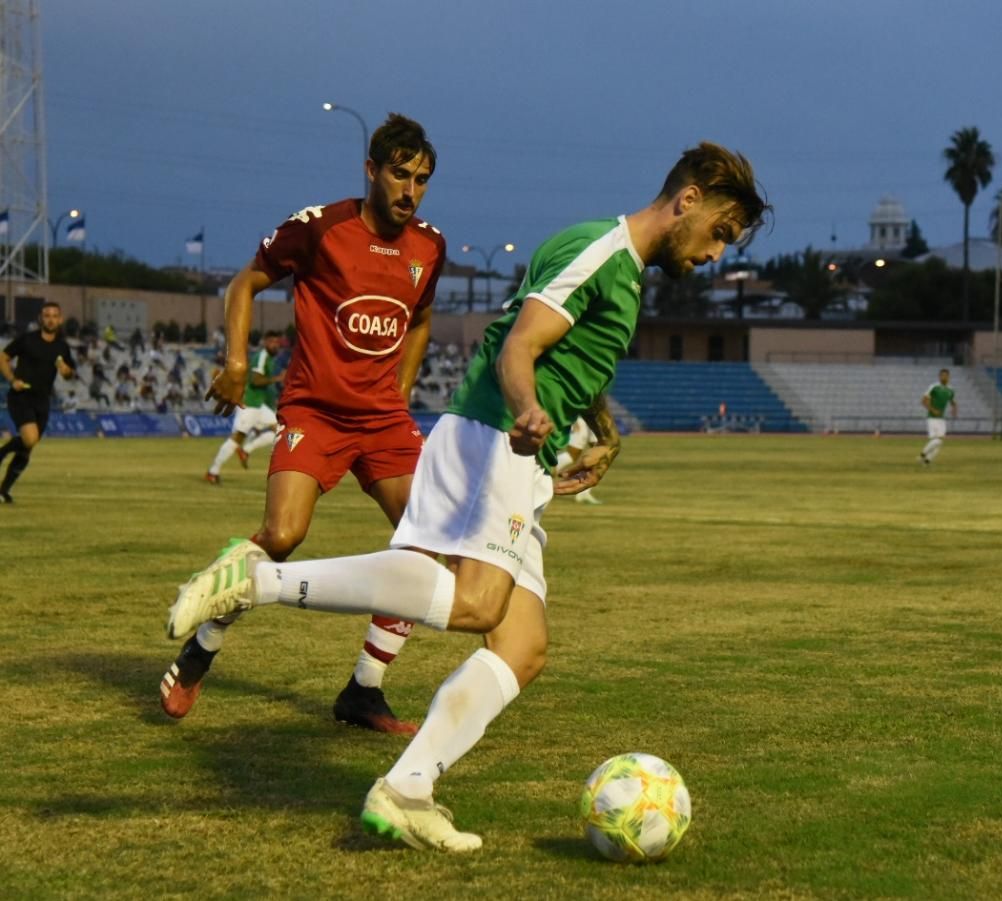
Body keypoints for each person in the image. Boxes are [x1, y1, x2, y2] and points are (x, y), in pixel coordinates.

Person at [166, 141, 769, 851]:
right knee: (478, 602)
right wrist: (527, 411)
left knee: (522, 643)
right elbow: (520, 345)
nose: (717, 253)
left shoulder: (621, 270)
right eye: (721, 233)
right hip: (497, 434)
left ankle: (406, 789)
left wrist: (602, 433)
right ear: (688, 199)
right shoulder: (601, 252)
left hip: (517, 446)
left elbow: (571, 357)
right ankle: (256, 579)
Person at [159, 113, 446, 735]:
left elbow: (420, 317)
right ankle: (202, 646)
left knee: (428, 546)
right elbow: (246, 282)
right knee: (283, 535)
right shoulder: (320, 229)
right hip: (314, 411)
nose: (410, 190)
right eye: (400, 175)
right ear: (370, 170)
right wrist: (236, 361)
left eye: (422, 179)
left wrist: (400, 388)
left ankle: (364, 691)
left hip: (383, 422)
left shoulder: (429, 246)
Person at [0, 302, 77, 503]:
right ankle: (1, 453)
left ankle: (4, 490)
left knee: (28, 447)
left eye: (54, 316)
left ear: (60, 320)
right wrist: (12, 379)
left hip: (43, 400)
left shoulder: (62, 347)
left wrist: (65, 370)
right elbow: (3, 357)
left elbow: (70, 374)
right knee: (30, 438)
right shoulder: (27, 340)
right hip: (21, 396)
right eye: (47, 315)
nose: (50, 319)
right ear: (41, 318)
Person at [204, 330, 285, 485]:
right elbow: (255, 380)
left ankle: (246, 450)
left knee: (281, 430)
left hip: (259, 406)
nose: (276, 345)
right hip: (248, 404)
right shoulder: (262, 356)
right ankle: (212, 471)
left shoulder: (269, 358)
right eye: (273, 342)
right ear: (266, 342)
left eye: (277, 342)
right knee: (237, 438)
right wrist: (277, 378)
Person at [557, 417, 603, 504]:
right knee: (571, 455)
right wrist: (574, 420)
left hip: (595, 416)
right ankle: (542, 472)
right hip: (581, 417)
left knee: (599, 454)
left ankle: (584, 492)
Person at [919, 368, 957, 466]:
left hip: (941, 419)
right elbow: (923, 401)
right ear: (939, 377)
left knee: (940, 442)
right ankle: (922, 454)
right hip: (932, 418)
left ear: (949, 377)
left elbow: (953, 402)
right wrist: (933, 410)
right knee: (937, 440)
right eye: (942, 375)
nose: (944, 377)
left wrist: (954, 409)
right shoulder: (934, 387)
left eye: (946, 375)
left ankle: (927, 461)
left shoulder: (951, 390)